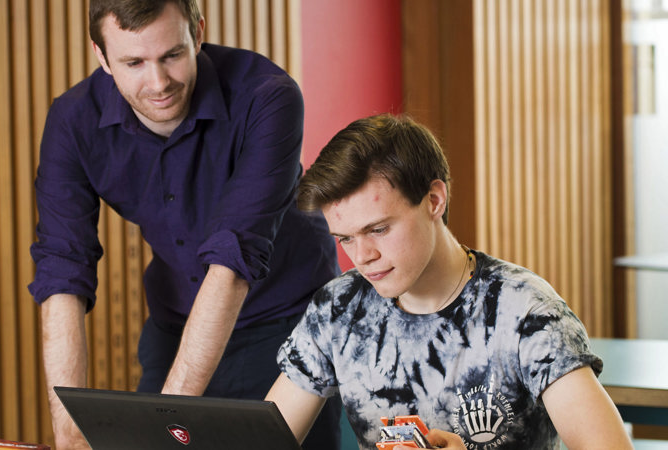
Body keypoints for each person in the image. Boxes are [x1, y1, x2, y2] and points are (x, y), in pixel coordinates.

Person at [28, 1, 341, 448]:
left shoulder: (267, 96)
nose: (158, 84)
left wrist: (165, 427)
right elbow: (62, 272)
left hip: (286, 323)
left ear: (197, 33)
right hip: (177, 328)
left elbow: (233, 261)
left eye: (172, 55)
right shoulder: (73, 121)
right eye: (133, 62)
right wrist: (68, 434)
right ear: (101, 56)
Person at [265, 114, 634, 450]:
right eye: (345, 238)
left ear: (434, 200)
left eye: (378, 229)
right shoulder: (338, 308)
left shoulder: (524, 311)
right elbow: (263, 438)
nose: (361, 256)